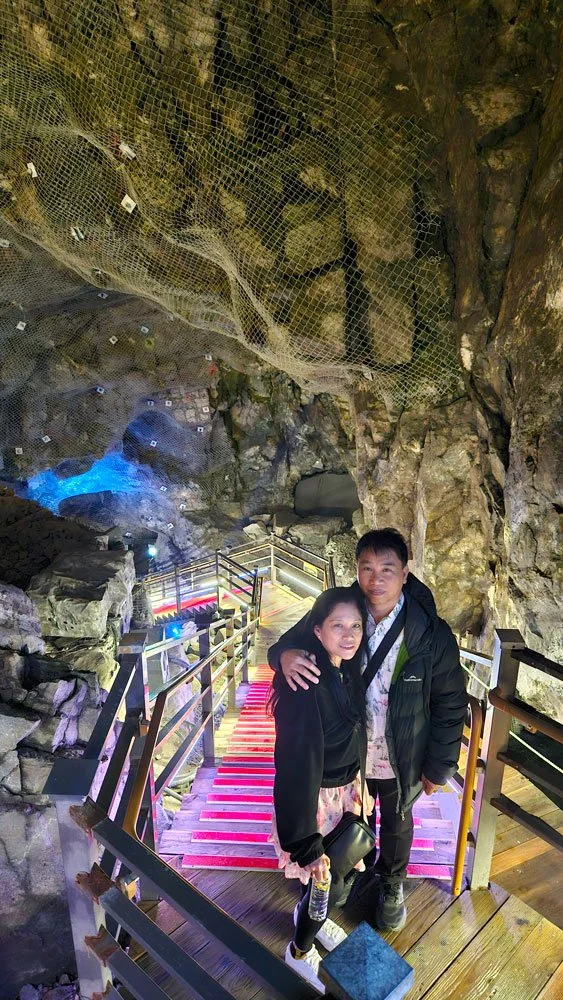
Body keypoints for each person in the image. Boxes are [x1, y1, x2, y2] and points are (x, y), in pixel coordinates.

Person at [269, 528, 468, 933]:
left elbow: (450, 702)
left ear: (405, 573)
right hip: (350, 750)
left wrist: (441, 765)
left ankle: (391, 883)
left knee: (397, 820)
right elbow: (293, 640)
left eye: (387, 569)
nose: (376, 579)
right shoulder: (343, 608)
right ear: (356, 570)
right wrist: (282, 655)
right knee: (347, 817)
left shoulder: (430, 633)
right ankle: (339, 872)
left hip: (402, 749)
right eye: (367, 568)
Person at [269, 587, 371, 993]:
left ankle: (309, 915)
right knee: (324, 874)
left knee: (331, 877)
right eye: (338, 626)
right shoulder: (307, 681)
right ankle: (298, 950)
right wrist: (304, 841)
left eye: (356, 626)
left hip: (345, 790)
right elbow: (294, 766)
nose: (349, 635)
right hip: (315, 799)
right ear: (317, 630)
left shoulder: (344, 668)